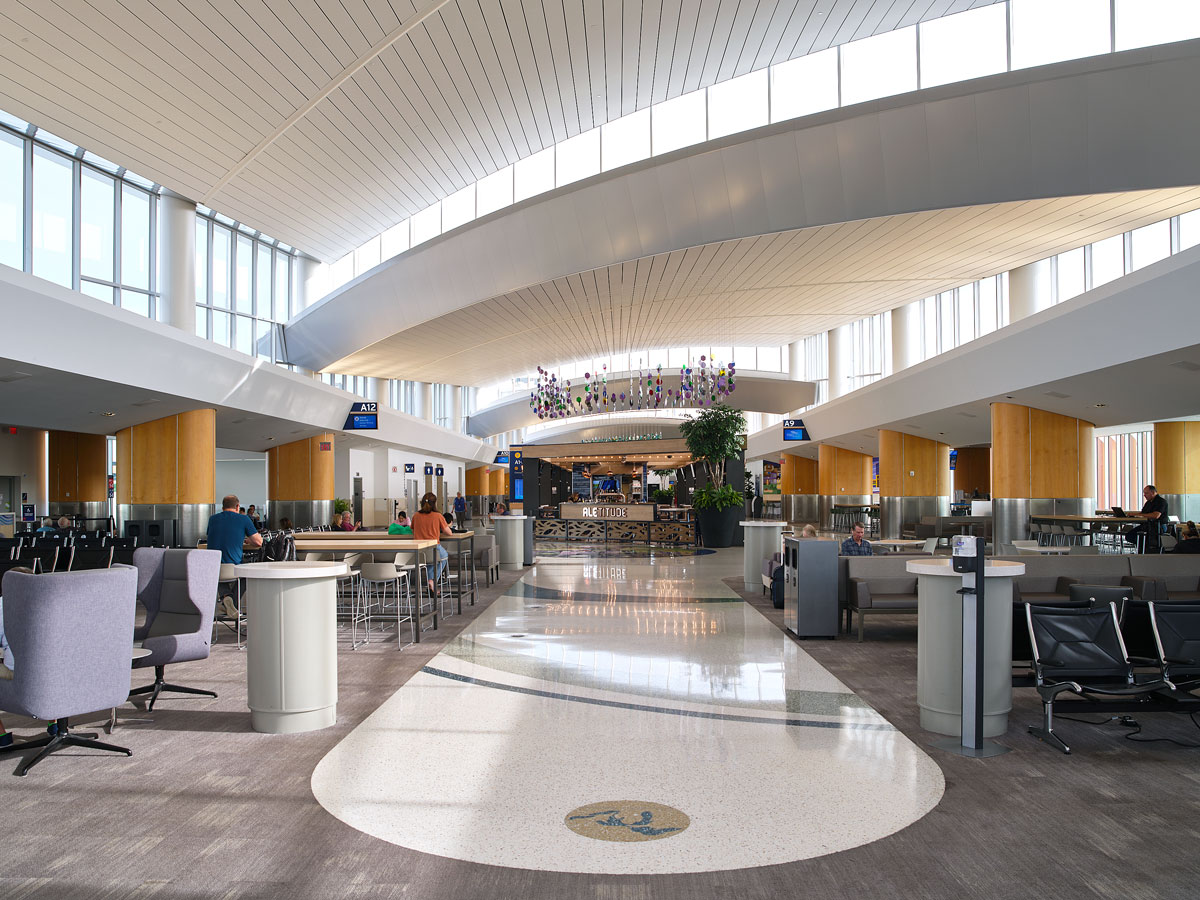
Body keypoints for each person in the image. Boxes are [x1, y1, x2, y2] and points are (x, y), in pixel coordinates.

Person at [411, 492, 452, 594]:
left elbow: (413, 530)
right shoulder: (438, 516)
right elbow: (449, 533)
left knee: (430, 562)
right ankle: (432, 580)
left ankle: (431, 583)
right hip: (433, 547)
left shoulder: (416, 516)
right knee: (444, 556)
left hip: (419, 549)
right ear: (435, 503)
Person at [206, 494, 262, 565]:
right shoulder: (244, 519)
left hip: (212, 568)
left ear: (223, 507)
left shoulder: (212, 519)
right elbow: (259, 542)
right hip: (233, 569)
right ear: (238, 507)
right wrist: (249, 541)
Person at [1123, 485, 1168, 552]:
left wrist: (1138, 515)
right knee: (1130, 536)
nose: (1144, 495)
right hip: (1147, 526)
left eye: (1146, 493)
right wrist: (1134, 515)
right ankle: (1143, 548)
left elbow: (1156, 515)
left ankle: (1144, 549)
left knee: (1138, 537)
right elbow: (1143, 513)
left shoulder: (1161, 502)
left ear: (1153, 492)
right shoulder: (1148, 503)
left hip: (1158, 527)